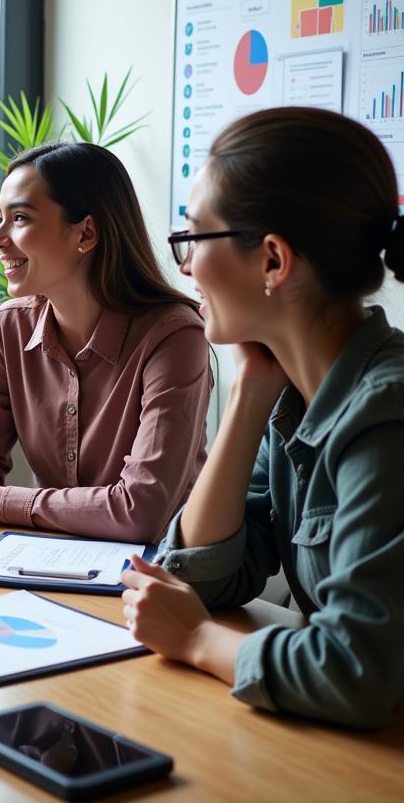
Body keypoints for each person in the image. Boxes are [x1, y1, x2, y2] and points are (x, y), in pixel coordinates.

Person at [120, 106, 404, 729]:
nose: (185, 264)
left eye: (194, 236)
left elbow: (358, 669)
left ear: (273, 261)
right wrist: (250, 392)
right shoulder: (294, 392)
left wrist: (199, 640)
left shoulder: (386, 412)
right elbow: (199, 577)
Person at [0, 141, 211, 541]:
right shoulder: (8, 328)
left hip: (159, 571)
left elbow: (141, 510)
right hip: (51, 560)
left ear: (86, 233)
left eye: (19, 218)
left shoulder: (174, 336)